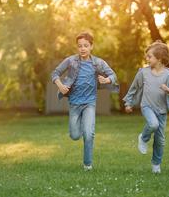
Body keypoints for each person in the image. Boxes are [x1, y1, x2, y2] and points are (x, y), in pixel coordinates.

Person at [51, 32, 119, 171]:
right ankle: (84, 125)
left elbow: (113, 75)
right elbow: (55, 73)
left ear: (91, 46)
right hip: (74, 104)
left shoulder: (98, 63)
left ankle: (87, 165)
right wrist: (60, 86)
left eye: (86, 46)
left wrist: (107, 79)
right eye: (80, 46)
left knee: (89, 134)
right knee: (75, 135)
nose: (82, 48)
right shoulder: (70, 61)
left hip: (89, 103)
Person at [123, 40, 169, 174]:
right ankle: (143, 138)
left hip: (162, 111)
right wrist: (128, 103)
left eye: (150, 56)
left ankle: (156, 165)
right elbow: (133, 88)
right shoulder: (143, 72)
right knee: (153, 124)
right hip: (147, 106)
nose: (146, 59)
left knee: (160, 140)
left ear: (159, 59)